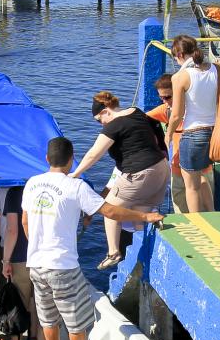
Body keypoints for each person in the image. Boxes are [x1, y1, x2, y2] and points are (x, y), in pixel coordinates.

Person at [23, 138, 164, 340]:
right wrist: (144, 214)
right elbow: (109, 211)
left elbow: (25, 221)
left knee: (48, 317)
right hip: (62, 265)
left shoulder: (32, 184)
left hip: (35, 263)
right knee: (75, 320)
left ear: (47, 159)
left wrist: (37, 247)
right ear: (70, 160)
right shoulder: (75, 187)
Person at [69, 91, 169, 270]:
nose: (101, 124)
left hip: (140, 173)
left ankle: (113, 252)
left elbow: (93, 154)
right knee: (139, 216)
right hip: (161, 169)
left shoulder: (114, 125)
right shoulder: (137, 112)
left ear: (106, 110)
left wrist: (74, 174)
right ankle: (142, 259)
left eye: (99, 120)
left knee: (110, 209)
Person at [165, 35, 220, 214]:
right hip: (214, 134)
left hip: (193, 135)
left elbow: (177, 115)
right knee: (204, 177)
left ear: (180, 54)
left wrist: (168, 136)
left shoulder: (180, 77)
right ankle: (211, 215)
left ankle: (198, 223)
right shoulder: (218, 69)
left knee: (192, 186)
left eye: (174, 56)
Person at [146, 74, 215, 213]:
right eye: (161, 98)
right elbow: (141, 119)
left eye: (168, 97)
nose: (165, 101)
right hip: (177, 172)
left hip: (201, 171)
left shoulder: (198, 111)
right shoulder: (166, 111)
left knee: (204, 215)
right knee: (182, 215)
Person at [1, 186, 40, 340]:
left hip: (20, 258)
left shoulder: (15, 193)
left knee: (18, 305)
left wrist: (5, 261)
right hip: (44, 258)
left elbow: (12, 230)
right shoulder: (43, 190)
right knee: (40, 306)